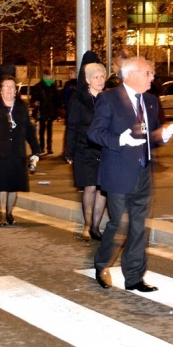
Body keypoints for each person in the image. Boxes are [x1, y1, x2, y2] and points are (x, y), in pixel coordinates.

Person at [88, 56, 173, 292]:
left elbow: (150, 134)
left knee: (139, 226)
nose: (152, 77)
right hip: (118, 173)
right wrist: (119, 140)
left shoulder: (150, 101)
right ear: (132, 74)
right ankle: (102, 265)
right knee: (119, 224)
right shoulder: (109, 99)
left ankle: (135, 276)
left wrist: (161, 136)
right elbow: (94, 133)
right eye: (148, 73)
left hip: (144, 172)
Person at [0, 75, 41, 226]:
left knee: (14, 184)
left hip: (16, 151)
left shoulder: (21, 107)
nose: (9, 89)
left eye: (12, 87)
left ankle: (9, 212)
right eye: (6, 86)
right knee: (1, 184)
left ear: (15, 90)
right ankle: (2, 213)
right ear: (0, 90)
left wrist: (36, 150)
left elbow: (29, 130)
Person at [64, 59, 107, 241]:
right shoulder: (79, 99)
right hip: (84, 148)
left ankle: (96, 227)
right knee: (89, 186)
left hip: (104, 149)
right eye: (96, 77)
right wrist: (69, 150)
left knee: (102, 188)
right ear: (88, 80)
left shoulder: (108, 99)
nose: (100, 80)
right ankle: (87, 226)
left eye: (102, 77)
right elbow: (72, 126)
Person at [30, 69, 60, 154]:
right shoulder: (38, 86)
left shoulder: (53, 87)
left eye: (50, 76)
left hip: (51, 110)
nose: (50, 77)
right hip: (42, 110)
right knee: (42, 129)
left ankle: (49, 147)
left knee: (50, 129)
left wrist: (57, 111)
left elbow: (56, 100)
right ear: (44, 76)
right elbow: (34, 98)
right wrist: (35, 102)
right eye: (48, 76)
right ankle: (41, 146)